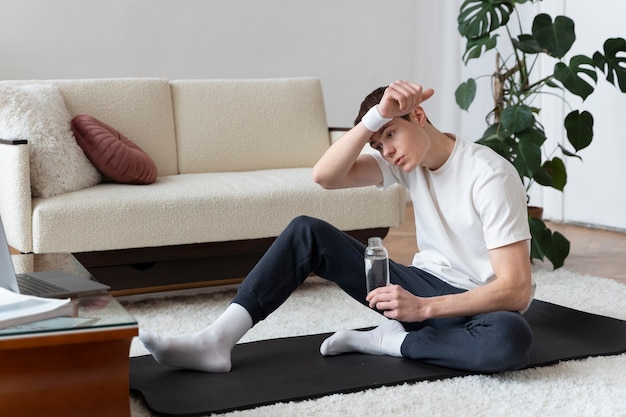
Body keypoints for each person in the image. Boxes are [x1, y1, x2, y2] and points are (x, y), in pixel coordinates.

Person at [139, 81, 534, 374]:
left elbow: (515, 290)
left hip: (472, 304)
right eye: (378, 145)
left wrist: (424, 308)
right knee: (306, 230)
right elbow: (325, 176)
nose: (387, 151)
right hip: (414, 287)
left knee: (509, 339)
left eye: (391, 135)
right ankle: (216, 340)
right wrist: (373, 122)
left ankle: (394, 342)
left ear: (419, 115)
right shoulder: (401, 162)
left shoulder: (488, 175)